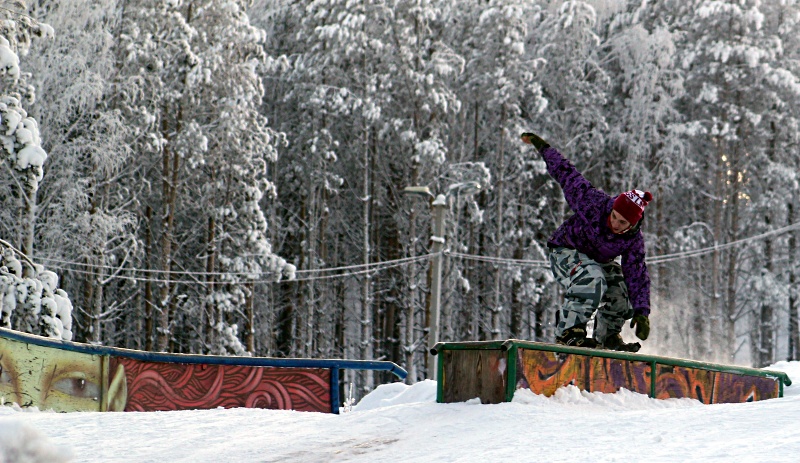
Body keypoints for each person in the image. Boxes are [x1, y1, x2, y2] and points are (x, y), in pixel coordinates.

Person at [521, 131, 651, 352]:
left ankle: (608, 336)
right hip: (565, 251)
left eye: (623, 224)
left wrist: (641, 311)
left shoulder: (633, 241)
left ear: (633, 226)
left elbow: (636, 273)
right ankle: (569, 331)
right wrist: (543, 148)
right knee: (593, 276)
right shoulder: (593, 203)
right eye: (615, 218)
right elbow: (567, 175)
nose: (616, 225)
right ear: (611, 209)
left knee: (621, 287)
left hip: (594, 261)